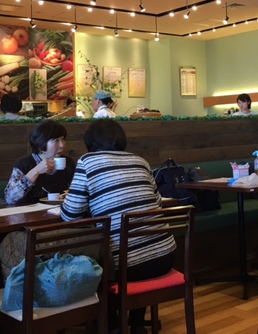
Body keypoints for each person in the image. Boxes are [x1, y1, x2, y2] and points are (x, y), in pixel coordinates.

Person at [60, 119, 175, 334]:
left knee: (95, 263)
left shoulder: (87, 162)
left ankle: (113, 326)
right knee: (129, 246)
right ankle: (137, 324)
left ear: (90, 141)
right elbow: (158, 203)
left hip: (128, 267)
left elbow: (70, 215)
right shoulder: (140, 161)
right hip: (165, 256)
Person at [4, 119, 75, 205]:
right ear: (41, 144)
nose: (62, 145)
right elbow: (10, 199)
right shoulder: (24, 164)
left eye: (62, 139)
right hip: (30, 212)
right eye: (56, 140)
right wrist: (36, 171)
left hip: (59, 210)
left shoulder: (68, 163)